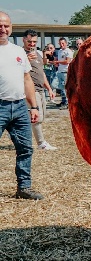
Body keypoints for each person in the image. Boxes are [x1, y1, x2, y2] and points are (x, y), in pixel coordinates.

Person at [0, 12, 43, 200]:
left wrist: (33, 106)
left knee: (25, 148)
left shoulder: (18, 51)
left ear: (11, 28)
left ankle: (24, 188)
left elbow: (27, 79)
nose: (2, 29)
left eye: (6, 26)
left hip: (19, 107)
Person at [21, 30, 57, 150]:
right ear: (23, 40)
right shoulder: (20, 53)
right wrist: (25, 59)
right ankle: (41, 143)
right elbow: (14, 69)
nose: (32, 44)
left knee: (41, 116)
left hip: (41, 90)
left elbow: (42, 73)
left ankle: (22, 138)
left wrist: (49, 89)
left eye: (34, 42)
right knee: (37, 118)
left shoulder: (38, 54)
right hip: (31, 90)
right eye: (29, 41)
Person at [53, 38, 74, 108]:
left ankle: (67, 103)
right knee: (59, 87)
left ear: (66, 43)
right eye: (60, 43)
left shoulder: (68, 51)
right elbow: (58, 60)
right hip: (60, 71)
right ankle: (63, 101)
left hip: (66, 72)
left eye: (63, 43)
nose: (61, 45)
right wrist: (56, 63)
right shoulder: (59, 51)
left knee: (65, 89)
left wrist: (57, 62)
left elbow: (67, 61)